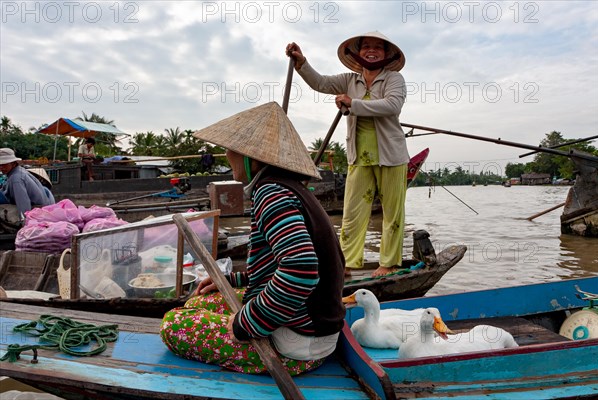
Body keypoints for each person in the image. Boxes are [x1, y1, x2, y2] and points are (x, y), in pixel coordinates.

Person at [160, 102, 346, 376]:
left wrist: (244, 325)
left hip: (297, 343)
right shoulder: (290, 189)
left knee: (173, 324)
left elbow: (302, 270)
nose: (226, 155)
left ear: (252, 157)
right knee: (196, 303)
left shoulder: (271, 193)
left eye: (231, 149)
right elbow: (280, 263)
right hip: (313, 329)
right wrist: (234, 279)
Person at [286, 31, 410, 278]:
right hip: (359, 157)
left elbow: (391, 106)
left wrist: (352, 104)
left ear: (386, 54)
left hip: (391, 156)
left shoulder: (394, 79)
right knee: (352, 213)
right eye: (366, 46)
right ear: (358, 52)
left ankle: (388, 263)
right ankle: (348, 263)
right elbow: (320, 83)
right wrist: (302, 63)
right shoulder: (349, 80)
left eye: (378, 47)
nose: (371, 51)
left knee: (392, 213)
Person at [0, 148, 55, 221]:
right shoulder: (17, 172)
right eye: (0, 165)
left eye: (4, 165)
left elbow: (23, 203)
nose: (1, 168)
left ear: (13, 163)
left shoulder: (16, 178)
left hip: (38, 209)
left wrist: (25, 223)